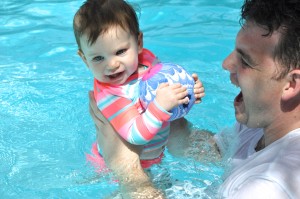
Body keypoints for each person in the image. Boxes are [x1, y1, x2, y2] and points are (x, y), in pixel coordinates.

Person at [88, 0, 300, 198]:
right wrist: (171, 118)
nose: (226, 64)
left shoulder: (266, 187)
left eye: (245, 61)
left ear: (291, 84)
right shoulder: (261, 122)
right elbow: (214, 153)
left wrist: (127, 170)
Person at [73, 0, 204, 176]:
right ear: (84, 60)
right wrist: (160, 106)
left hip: (155, 156)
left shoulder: (147, 60)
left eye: (120, 52)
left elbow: (168, 95)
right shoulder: (110, 94)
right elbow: (135, 135)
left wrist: (187, 93)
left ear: (139, 42)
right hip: (116, 169)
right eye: (98, 58)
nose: (112, 64)